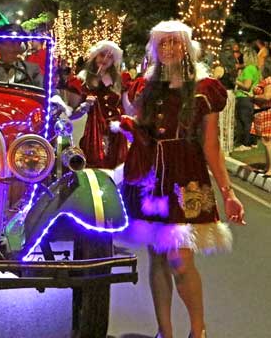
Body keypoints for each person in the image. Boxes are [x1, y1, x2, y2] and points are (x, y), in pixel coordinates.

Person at [119, 21, 245, 338]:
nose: (170, 49)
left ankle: (197, 330)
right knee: (158, 259)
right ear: (155, 50)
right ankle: (165, 331)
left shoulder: (205, 90)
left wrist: (228, 193)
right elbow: (138, 128)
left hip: (185, 176)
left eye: (175, 43)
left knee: (180, 261)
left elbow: (212, 145)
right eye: (163, 44)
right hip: (149, 178)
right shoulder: (144, 87)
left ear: (187, 48)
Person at [64, 40, 127, 169]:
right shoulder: (81, 81)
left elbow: (124, 107)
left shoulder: (117, 82)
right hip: (90, 133)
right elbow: (71, 114)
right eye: (102, 55)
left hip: (115, 134)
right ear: (95, 56)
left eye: (110, 57)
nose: (105, 59)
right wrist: (84, 107)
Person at [0, 23, 43, 87]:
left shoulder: (32, 70)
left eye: (18, 43)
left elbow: (40, 95)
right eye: (11, 43)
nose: (15, 47)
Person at [233, 47, 260, 150]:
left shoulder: (248, 69)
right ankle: (253, 142)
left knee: (244, 121)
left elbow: (247, 85)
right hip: (251, 98)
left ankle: (245, 143)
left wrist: (236, 81)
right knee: (250, 121)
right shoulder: (256, 69)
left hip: (244, 97)